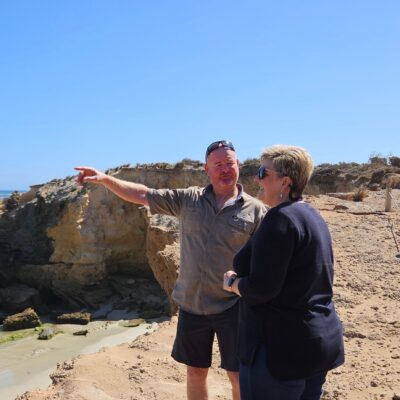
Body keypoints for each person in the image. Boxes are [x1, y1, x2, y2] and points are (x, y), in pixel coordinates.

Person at [75, 140, 266, 400]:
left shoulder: (256, 211)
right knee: (195, 372)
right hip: (191, 304)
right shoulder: (189, 199)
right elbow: (143, 194)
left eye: (229, 163)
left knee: (238, 375)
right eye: (218, 164)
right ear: (206, 169)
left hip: (233, 306)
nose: (224, 169)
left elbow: (267, 261)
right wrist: (107, 180)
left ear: (238, 165)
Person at [223, 145, 345, 400]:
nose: (256, 178)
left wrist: (234, 284)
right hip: (315, 344)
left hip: (278, 352)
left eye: (262, 172)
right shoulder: (311, 215)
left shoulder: (280, 220)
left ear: (285, 182)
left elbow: (261, 288)